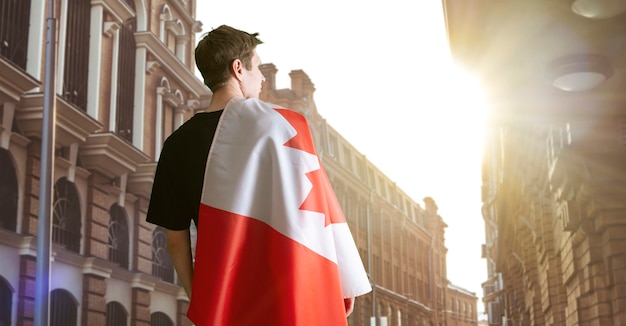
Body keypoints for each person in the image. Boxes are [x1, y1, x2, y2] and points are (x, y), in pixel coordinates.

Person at [146, 25, 370, 325]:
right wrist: (340, 280)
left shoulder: (176, 144)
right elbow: (318, 215)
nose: (263, 77)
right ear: (238, 69)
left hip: (227, 297)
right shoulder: (285, 126)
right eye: (257, 67)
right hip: (287, 294)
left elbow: (175, 238)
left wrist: (200, 297)